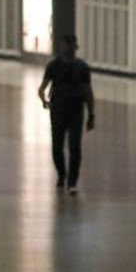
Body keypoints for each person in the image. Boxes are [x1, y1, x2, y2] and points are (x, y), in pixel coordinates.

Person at [38, 34, 96, 195]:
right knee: (57, 147)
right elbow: (42, 87)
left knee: (74, 146)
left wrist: (91, 114)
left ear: (74, 48)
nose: (67, 50)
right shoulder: (53, 66)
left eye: (69, 47)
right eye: (65, 46)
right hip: (57, 111)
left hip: (76, 111)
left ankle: (72, 181)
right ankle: (61, 174)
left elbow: (88, 92)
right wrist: (44, 100)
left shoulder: (82, 68)